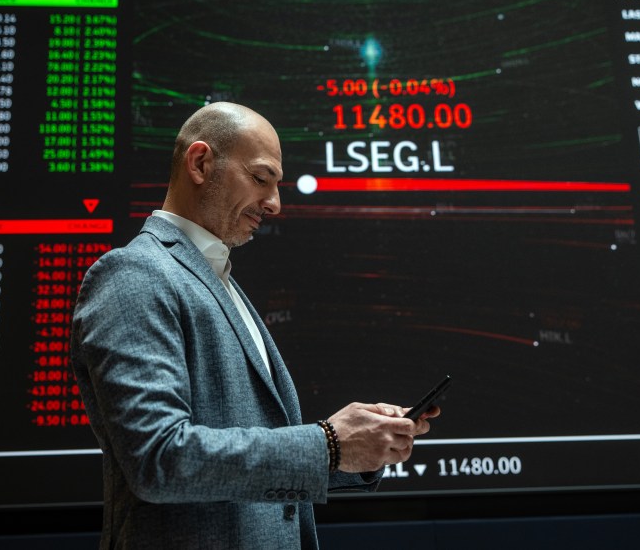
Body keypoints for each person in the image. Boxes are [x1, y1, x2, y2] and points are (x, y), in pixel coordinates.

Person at [71, 102, 437, 549]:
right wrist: (328, 444)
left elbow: (254, 477)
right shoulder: (133, 274)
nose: (275, 204)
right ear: (200, 163)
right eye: (262, 179)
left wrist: (358, 449)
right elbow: (159, 460)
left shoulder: (218, 279)